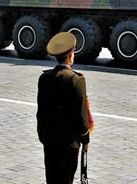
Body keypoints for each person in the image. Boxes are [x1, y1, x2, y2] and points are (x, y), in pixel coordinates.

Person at [37, 32, 94, 184]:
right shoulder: (76, 80)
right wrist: (85, 139)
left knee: (51, 179)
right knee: (66, 179)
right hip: (69, 142)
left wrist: (42, 134)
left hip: (50, 139)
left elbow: (41, 112)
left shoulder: (44, 78)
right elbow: (81, 115)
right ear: (70, 55)